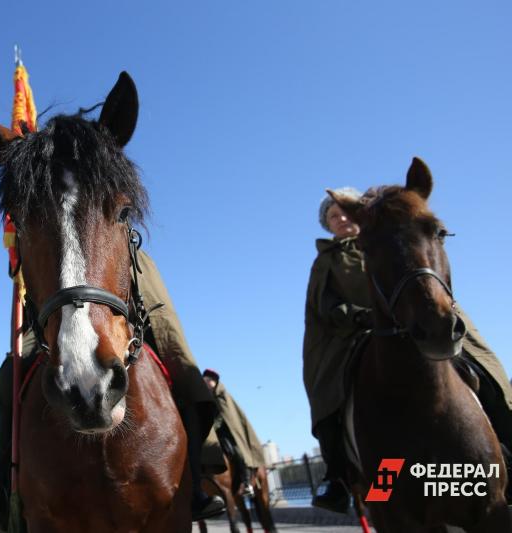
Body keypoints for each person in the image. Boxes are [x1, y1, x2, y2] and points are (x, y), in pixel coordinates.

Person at [0, 250, 226, 526]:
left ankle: (196, 482)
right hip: (55, 318)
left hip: (126, 312)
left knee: (185, 370)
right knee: (8, 373)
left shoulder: (123, 229)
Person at [303, 187, 512, 513]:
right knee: (331, 392)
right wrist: (359, 315)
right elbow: (326, 307)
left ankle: (505, 442)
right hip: (358, 332)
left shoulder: (390, 236)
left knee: (481, 364)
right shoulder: (327, 262)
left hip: (417, 320)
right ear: (327, 225)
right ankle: (343, 478)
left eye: (345, 211)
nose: (341, 218)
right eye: (333, 216)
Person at [202, 369, 265, 494]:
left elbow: (225, 416)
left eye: (208, 381)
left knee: (237, 451)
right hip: (217, 433)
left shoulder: (222, 395)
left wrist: (214, 426)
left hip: (230, 433)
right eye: (204, 381)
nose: (206, 383)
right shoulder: (207, 399)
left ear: (214, 382)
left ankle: (246, 482)